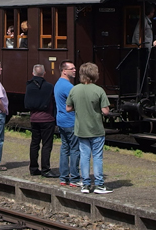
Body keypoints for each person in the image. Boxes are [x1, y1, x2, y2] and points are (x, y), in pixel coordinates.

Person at [66, 62, 112, 194]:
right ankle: (99, 185)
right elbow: (105, 111)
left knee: (84, 156)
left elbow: (68, 108)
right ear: (94, 74)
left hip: (81, 129)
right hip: (96, 129)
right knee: (97, 157)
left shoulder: (74, 89)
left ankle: (85, 184)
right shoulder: (99, 90)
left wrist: (79, 107)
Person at [24, 64, 57, 177]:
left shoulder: (29, 86)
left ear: (33, 73)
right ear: (44, 73)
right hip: (47, 118)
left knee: (34, 143)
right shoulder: (49, 86)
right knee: (46, 145)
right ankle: (45, 169)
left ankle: (33, 168)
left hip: (34, 118)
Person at [55, 60, 79, 187]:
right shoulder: (69, 87)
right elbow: (77, 103)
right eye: (72, 69)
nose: (74, 70)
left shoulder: (58, 84)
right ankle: (74, 178)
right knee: (75, 149)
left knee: (65, 149)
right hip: (71, 121)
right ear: (64, 71)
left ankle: (63, 177)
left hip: (61, 120)